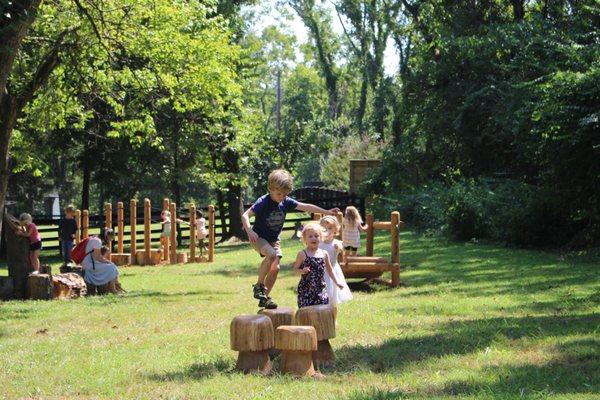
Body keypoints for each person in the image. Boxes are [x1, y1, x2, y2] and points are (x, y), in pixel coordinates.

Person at [241, 169, 340, 309]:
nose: (282, 197)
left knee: (275, 268)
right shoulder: (263, 201)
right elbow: (245, 215)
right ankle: (258, 286)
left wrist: (327, 212)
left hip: (274, 239)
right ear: (270, 189)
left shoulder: (286, 201)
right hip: (259, 237)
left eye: (285, 194)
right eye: (279, 194)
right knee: (271, 254)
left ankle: (264, 298)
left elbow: (306, 206)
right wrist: (249, 230)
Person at [292, 222, 344, 308]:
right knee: (306, 314)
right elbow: (294, 270)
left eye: (316, 236)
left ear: (321, 237)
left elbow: (330, 270)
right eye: (310, 236)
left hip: (321, 289)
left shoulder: (324, 254)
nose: (314, 238)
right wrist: (302, 271)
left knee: (321, 312)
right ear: (305, 239)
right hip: (306, 290)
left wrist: (337, 282)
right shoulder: (302, 254)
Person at [319, 216, 352, 305]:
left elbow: (342, 250)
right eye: (324, 228)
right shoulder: (319, 243)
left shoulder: (336, 243)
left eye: (329, 228)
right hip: (321, 268)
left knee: (333, 286)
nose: (327, 231)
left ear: (335, 230)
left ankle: (333, 300)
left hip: (333, 268)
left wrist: (339, 249)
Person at [81, 229, 122, 293]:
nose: (111, 239)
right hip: (88, 264)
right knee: (112, 267)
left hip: (88, 262)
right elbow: (97, 257)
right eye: (111, 237)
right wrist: (108, 262)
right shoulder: (97, 241)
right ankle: (113, 289)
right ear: (106, 236)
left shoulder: (96, 239)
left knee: (112, 266)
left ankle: (115, 287)